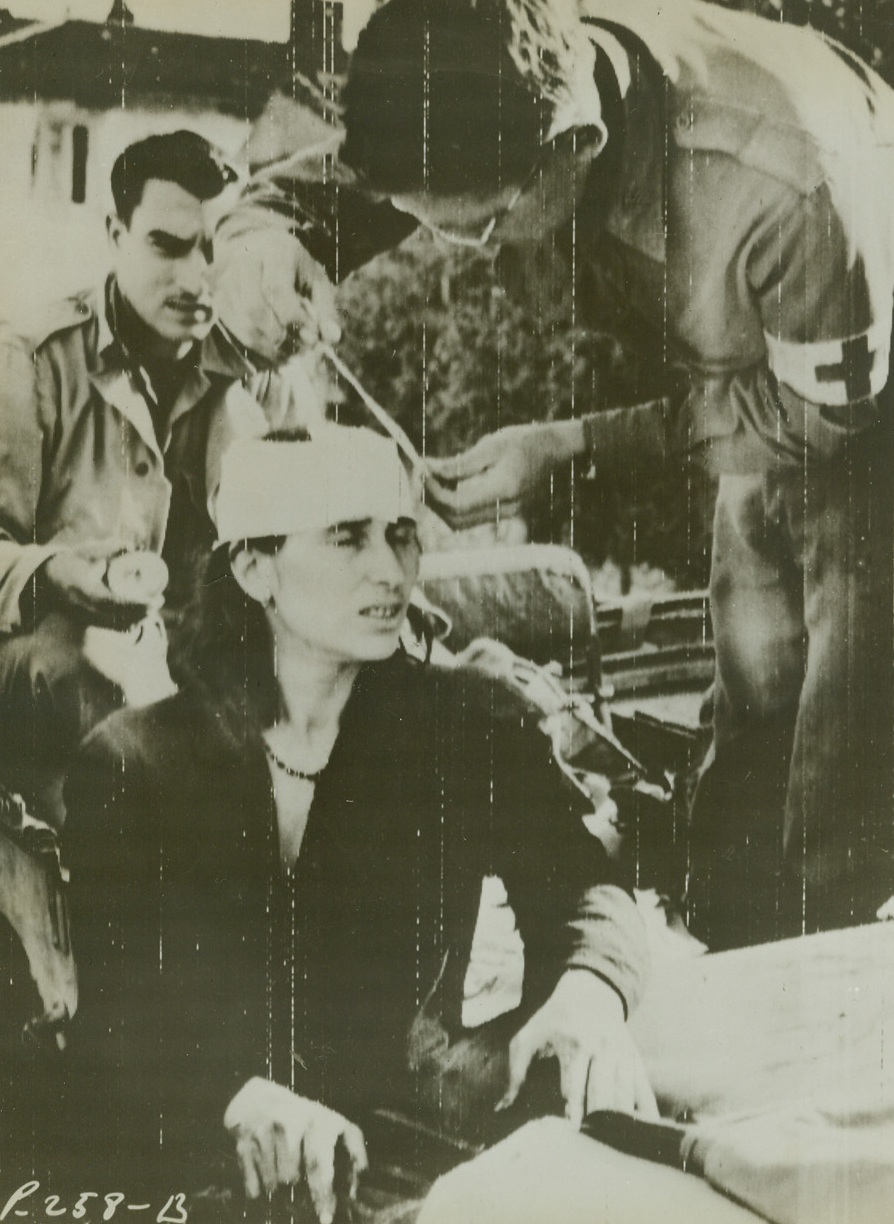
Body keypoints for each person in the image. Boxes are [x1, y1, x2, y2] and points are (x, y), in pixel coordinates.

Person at [213, 0, 894, 948]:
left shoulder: (782, 186)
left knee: (839, 760)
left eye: (484, 226)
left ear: (574, 146)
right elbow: (295, 194)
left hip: (858, 399)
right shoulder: (476, 85)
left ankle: (829, 973)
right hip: (773, 373)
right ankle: (734, 936)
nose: (463, 252)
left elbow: (820, 421)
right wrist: (254, 243)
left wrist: (575, 443)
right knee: (750, 719)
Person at [56, 424, 653, 1220]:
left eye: (401, 533)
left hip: (410, 1157)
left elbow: (588, 887)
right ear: (255, 567)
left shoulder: (464, 727)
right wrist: (229, 1095)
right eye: (347, 536)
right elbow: (121, 1016)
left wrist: (590, 993)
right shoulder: (132, 764)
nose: (391, 569)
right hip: (198, 1168)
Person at [0, 130, 275, 827]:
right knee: (93, 667)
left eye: (215, 249)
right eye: (167, 246)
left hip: (194, 667)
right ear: (115, 234)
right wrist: (51, 573)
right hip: (48, 681)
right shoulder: (31, 362)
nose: (197, 279)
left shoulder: (258, 374)